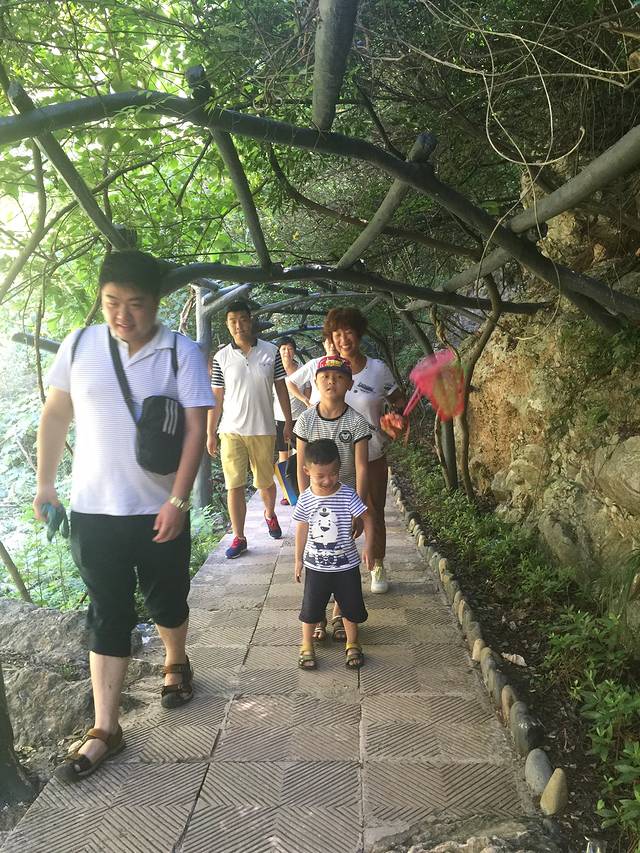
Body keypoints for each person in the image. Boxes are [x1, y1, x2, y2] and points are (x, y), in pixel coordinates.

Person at [33, 250, 214, 783]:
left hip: (158, 509)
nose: (122, 315)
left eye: (135, 304)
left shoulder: (181, 352)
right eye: (112, 302)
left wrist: (178, 500)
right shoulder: (79, 345)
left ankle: (175, 660)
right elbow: (56, 414)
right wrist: (45, 483)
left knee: (167, 600)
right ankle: (106, 729)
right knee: (107, 612)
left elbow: (196, 430)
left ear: (156, 302)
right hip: (93, 511)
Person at [323, 307, 405, 594]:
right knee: (332, 516)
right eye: (337, 334)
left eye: (348, 332)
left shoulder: (377, 369)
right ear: (331, 338)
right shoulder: (327, 370)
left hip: (372, 455)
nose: (343, 339)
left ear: (358, 334)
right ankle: (333, 570)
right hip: (334, 460)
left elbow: (399, 401)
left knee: (373, 511)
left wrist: (395, 417)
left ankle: (377, 565)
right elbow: (317, 409)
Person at [207, 299, 293, 558]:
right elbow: (217, 397)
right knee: (233, 484)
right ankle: (239, 537)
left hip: (263, 428)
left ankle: (269, 513)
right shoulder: (222, 357)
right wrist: (210, 432)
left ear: (250, 321)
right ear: (227, 325)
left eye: (243, 319)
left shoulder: (271, 351)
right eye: (233, 321)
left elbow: (281, 388)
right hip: (231, 430)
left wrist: (288, 422)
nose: (238, 325)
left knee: (265, 482)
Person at [294, 354, 370, 641]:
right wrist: (305, 499)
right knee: (317, 556)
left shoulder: (357, 422)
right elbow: (300, 465)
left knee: (342, 557)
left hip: (344, 500)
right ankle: (317, 616)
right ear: (315, 382)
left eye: (339, 377)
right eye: (325, 377)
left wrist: (357, 508)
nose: (331, 382)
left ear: (349, 384)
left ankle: (340, 613)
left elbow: (362, 467)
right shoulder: (306, 420)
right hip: (315, 500)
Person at [294, 439, 372, 670]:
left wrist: (369, 547)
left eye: (333, 474)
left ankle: (353, 643)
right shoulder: (306, 498)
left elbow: (367, 518)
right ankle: (306, 645)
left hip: (346, 566)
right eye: (320, 476)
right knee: (310, 608)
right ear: (307, 471)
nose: (328, 480)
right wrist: (298, 559)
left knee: (350, 606)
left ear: (339, 468)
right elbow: (302, 528)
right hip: (316, 567)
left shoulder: (347, 495)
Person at [273, 336, 309, 505]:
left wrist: (307, 408)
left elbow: (308, 389)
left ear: (294, 351)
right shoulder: (274, 370)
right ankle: (288, 493)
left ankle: (302, 489)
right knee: (283, 455)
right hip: (279, 418)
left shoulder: (302, 369)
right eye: (283, 349)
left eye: (289, 348)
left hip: (300, 418)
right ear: (278, 351)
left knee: (301, 454)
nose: (286, 352)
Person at [286, 331, 337, 409]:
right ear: (324, 344)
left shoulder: (347, 364)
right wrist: (306, 400)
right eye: (329, 342)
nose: (332, 346)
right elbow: (290, 382)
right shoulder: (315, 363)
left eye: (335, 342)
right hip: (317, 409)